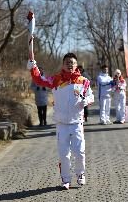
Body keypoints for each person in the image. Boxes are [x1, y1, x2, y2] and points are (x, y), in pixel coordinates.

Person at [27, 53, 94, 190]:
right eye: (67, 62)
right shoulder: (56, 80)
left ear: (76, 65)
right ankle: (66, 179)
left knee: (80, 152)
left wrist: (86, 101)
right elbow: (39, 79)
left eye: (72, 63)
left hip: (76, 123)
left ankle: (80, 174)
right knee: (64, 154)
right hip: (61, 124)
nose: (70, 65)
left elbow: (91, 96)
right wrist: (32, 66)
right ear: (63, 64)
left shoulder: (83, 81)